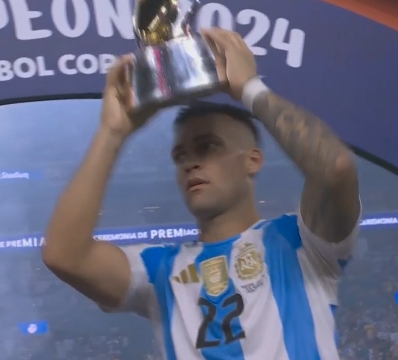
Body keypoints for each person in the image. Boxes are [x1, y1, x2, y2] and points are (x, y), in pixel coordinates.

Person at [42, 28, 362, 359]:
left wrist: (250, 88)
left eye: (208, 147)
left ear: (252, 161)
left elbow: (335, 167)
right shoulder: (158, 270)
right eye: (180, 156)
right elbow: (63, 255)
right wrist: (112, 133)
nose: (190, 163)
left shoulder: (300, 243)